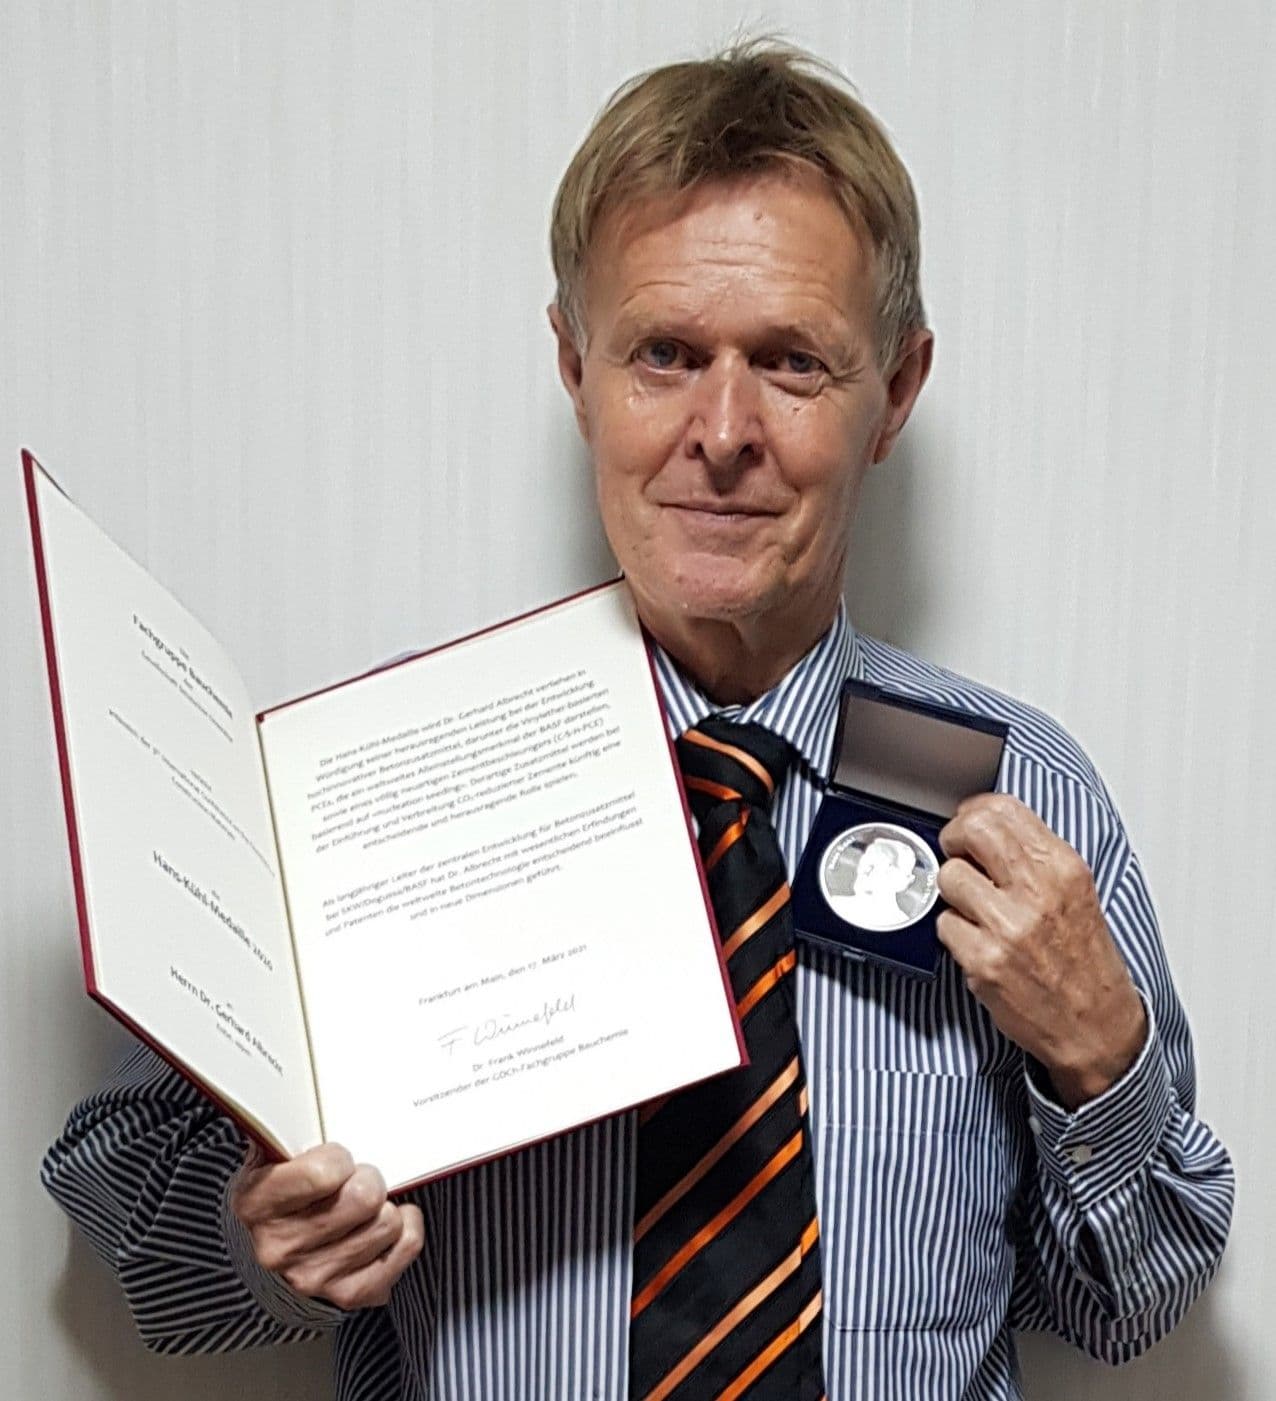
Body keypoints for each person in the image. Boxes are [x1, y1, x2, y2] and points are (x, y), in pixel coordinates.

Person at [43, 39, 1233, 1401]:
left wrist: (1102, 1061)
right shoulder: (359, 785)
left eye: (792, 362)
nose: (722, 430)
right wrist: (255, 1238)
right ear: (575, 367)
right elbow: (135, 1239)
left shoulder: (1024, 796)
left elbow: (1126, 1308)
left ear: (895, 392)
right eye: (664, 354)